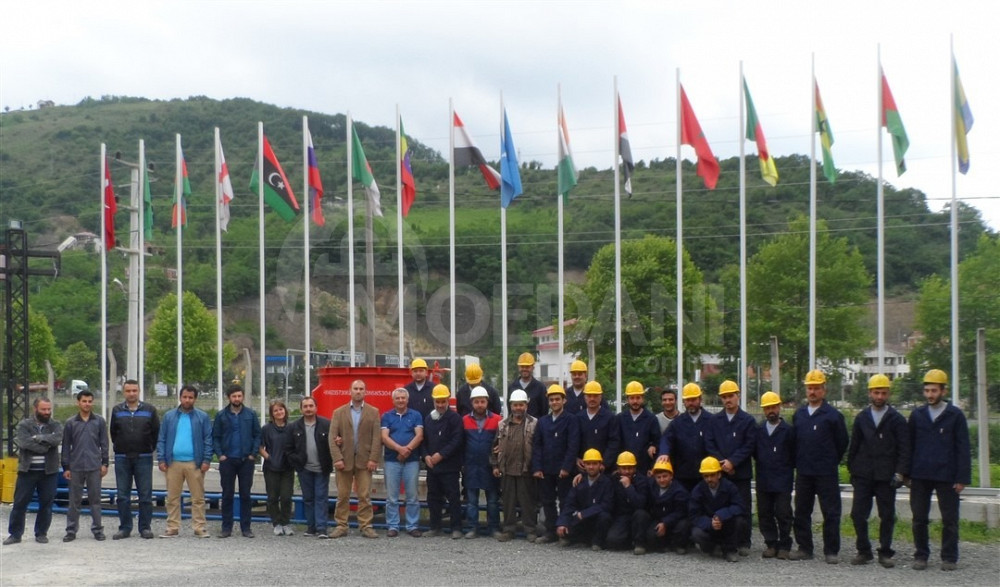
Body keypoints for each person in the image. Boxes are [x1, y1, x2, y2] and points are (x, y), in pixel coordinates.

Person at [908, 369, 970, 572]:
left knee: (949, 519)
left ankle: (949, 557)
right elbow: (909, 446)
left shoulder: (955, 415)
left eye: (934, 390)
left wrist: (962, 478)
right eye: (927, 390)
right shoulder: (917, 415)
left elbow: (963, 447)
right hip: (920, 475)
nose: (929, 395)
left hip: (947, 475)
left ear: (943, 391)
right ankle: (921, 555)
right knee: (919, 518)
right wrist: (906, 473)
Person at [848, 374, 911, 568]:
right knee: (858, 514)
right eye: (876, 392)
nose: (880, 396)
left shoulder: (896, 419)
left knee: (887, 515)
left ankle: (885, 552)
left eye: (883, 393)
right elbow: (854, 445)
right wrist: (852, 469)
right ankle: (864, 551)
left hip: (886, 476)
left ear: (888, 394)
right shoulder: (862, 418)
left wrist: (900, 472)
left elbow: (904, 448)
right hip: (864, 474)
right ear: (870, 393)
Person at [789, 370, 848, 564]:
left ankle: (831, 550)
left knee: (830, 512)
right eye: (810, 388)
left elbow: (842, 442)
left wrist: (830, 460)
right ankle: (804, 548)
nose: (812, 392)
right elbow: (794, 442)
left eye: (816, 388)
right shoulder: (799, 415)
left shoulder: (833, 416)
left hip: (826, 472)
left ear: (824, 390)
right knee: (802, 511)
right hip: (804, 471)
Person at [705, 379, 756, 555]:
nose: (728, 400)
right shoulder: (714, 420)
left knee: (743, 507)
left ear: (738, 396)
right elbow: (709, 443)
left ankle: (743, 542)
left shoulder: (747, 420)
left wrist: (733, 462)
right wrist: (722, 463)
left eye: (731, 396)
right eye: (724, 397)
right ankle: (722, 541)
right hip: (720, 473)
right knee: (720, 507)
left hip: (740, 472)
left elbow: (749, 445)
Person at [156, 385, 213, 538]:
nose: (187, 400)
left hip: (195, 463)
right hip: (172, 463)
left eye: (190, 397)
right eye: (184, 397)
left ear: (195, 399)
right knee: (172, 497)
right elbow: (161, 438)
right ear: (180, 398)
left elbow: (208, 439)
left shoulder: (202, 417)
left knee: (198, 498)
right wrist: (161, 458)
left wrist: (206, 459)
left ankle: (199, 527)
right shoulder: (169, 417)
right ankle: (172, 527)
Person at [4, 398, 63, 545]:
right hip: (27, 471)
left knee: (46, 504)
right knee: (19, 503)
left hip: (49, 472)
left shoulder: (55, 424)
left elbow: (57, 439)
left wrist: (39, 438)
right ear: (35, 409)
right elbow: (24, 442)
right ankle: (15, 534)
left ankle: (41, 533)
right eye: (44, 409)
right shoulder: (25, 425)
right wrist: (44, 447)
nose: (47, 412)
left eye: (49, 409)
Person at [329, 379, 382, 539]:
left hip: (365, 461)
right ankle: (341, 525)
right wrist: (337, 458)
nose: (358, 391)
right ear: (350, 391)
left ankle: (366, 525)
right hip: (344, 461)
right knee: (342, 495)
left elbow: (376, 438)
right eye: (355, 388)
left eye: (361, 389)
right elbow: (332, 438)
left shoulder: (373, 412)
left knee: (364, 495)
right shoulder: (339, 412)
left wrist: (373, 458)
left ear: (365, 392)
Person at [110, 379, 159, 540]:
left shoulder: (150, 410)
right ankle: (125, 528)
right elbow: (113, 433)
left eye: (134, 390)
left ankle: (145, 528)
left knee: (145, 495)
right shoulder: (117, 411)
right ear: (124, 392)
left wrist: (148, 448)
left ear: (139, 392)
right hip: (122, 458)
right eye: (128, 391)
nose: (131, 393)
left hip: (143, 458)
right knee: (122, 495)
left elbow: (155, 432)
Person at [532, 383, 580, 544]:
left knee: (566, 501)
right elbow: (537, 445)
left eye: (557, 399)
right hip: (546, 469)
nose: (554, 402)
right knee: (547, 501)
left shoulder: (571, 420)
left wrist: (567, 467)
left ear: (564, 401)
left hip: (563, 470)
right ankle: (551, 531)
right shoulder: (543, 421)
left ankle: (566, 532)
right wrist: (537, 467)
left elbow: (573, 445)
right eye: (551, 400)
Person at [212, 384, 261, 538]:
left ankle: (246, 528)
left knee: (246, 495)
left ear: (243, 397)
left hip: (246, 460)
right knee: (227, 495)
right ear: (229, 398)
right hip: (228, 460)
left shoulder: (250, 415)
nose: (237, 399)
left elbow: (257, 435)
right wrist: (220, 454)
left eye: (239, 396)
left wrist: (253, 454)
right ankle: (226, 528)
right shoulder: (221, 416)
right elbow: (216, 437)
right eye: (234, 396)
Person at [61, 389, 110, 542]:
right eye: (84, 401)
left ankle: (97, 529)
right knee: (74, 501)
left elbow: (104, 443)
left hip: (94, 466)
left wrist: (105, 463)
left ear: (92, 402)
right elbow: (66, 446)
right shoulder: (71, 423)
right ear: (78, 402)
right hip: (75, 467)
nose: (87, 404)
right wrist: (66, 467)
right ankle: (71, 530)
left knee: (95, 500)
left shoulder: (99, 421)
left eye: (90, 401)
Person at [491, 389, 538, 542]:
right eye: (515, 405)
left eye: (521, 405)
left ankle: (530, 530)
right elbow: (494, 447)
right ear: (511, 405)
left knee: (527, 502)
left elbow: (538, 447)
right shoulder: (502, 425)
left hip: (526, 469)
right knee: (508, 502)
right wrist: (495, 466)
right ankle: (509, 530)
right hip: (507, 469)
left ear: (526, 405)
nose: (518, 408)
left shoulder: (534, 424)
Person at [753, 391, 795, 560]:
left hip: (783, 479)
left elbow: (794, 453)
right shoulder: (759, 430)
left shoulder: (788, 430)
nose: (771, 410)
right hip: (763, 478)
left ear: (779, 407)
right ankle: (771, 543)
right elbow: (755, 453)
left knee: (784, 512)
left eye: (773, 407)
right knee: (765, 512)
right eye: (767, 408)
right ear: (764, 410)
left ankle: (784, 545)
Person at [422, 384, 464, 538]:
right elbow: (423, 440)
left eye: (443, 401)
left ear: (448, 401)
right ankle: (435, 526)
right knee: (433, 498)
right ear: (433, 401)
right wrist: (426, 456)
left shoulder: (455, 418)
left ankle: (456, 528)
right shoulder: (428, 418)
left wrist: (441, 455)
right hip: (432, 467)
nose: (440, 405)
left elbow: (457, 440)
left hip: (450, 466)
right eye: (437, 402)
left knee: (453, 498)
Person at [287, 396, 333, 538]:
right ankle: (311, 527)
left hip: (322, 468)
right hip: (304, 469)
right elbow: (288, 449)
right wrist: (298, 463)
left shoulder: (327, 424)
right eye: (305, 406)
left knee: (321, 497)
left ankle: (321, 528)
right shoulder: (294, 427)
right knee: (308, 498)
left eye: (311, 406)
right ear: (301, 409)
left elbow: (334, 444)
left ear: (316, 408)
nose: (308, 409)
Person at [381, 387, 424, 537]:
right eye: (397, 398)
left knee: (412, 495)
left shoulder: (416, 415)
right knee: (392, 496)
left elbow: (419, 436)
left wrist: (407, 450)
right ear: (393, 400)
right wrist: (400, 449)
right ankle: (393, 526)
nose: (400, 400)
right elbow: (384, 437)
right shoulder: (386, 416)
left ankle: (412, 526)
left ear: (407, 399)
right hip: (392, 461)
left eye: (403, 398)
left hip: (411, 460)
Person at [461, 386, 502, 539]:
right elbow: (461, 443)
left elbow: (501, 442)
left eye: (482, 401)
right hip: (471, 465)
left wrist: (497, 463)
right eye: (476, 402)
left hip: (490, 466)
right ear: (472, 403)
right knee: (472, 501)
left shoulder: (497, 420)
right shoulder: (464, 420)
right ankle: (472, 527)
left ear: (487, 402)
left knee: (492, 501)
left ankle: (494, 528)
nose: (479, 404)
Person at [689, 456, 747, 563]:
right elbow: (694, 515)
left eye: (712, 475)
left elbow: (740, 506)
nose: (709, 479)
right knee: (696, 533)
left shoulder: (730, 487)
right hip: (709, 527)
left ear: (719, 474)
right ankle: (712, 548)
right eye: (706, 476)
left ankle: (730, 550)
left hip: (726, 523)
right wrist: (711, 523)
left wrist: (721, 515)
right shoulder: (697, 490)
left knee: (740, 521)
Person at [555, 448, 613, 550]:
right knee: (566, 524)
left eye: (594, 464)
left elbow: (606, 505)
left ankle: (597, 542)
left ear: (600, 465)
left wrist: (585, 513)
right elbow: (569, 504)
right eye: (588, 464)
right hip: (582, 519)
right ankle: (575, 538)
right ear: (584, 465)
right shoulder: (579, 481)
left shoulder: (607, 482)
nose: (591, 467)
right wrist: (562, 523)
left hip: (595, 518)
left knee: (605, 516)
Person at [657, 383, 711, 492]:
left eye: (693, 399)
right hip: (683, 476)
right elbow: (667, 439)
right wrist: (664, 453)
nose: (690, 403)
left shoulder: (711, 420)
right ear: (683, 401)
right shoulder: (677, 423)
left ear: (700, 399)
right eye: (688, 400)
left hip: (706, 475)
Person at [260, 400, 294, 536]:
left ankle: (286, 522)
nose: (279, 412)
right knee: (272, 497)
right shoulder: (266, 429)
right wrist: (269, 458)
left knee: (286, 496)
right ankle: (277, 523)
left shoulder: (292, 428)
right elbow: (260, 447)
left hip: (287, 468)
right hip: (271, 468)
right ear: (272, 414)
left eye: (281, 409)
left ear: (285, 411)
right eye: (276, 410)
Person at [606, 451, 650, 554]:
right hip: (622, 516)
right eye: (623, 468)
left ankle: (640, 544)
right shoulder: (613, 479)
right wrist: (582, 475)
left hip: (638, 516)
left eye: (630, 468)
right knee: (612, 541)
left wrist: (628, 487)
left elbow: (640, 504)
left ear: (635, 467)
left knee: (641, 514)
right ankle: (629, 541)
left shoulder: (642, 480)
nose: (627, 471)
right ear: (618, 468)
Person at [643, 460, 691, 554]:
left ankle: (679, 545)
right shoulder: (652, 485)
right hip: (658, 519)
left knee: (684, 526)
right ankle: (665, 544)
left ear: (671, 476)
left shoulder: (680, 491)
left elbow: (681, 512)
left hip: (675, 520)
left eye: (665, 476)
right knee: (650, 537)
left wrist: (665, 522)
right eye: (658, 477)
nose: (662, 480)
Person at [576, 380, 620, 473]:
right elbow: (574, 441)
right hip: (582, 469)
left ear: (600, 397)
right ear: (584, 397)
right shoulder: (578, 417)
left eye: (595, 396)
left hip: (603, 470)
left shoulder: (610, 418)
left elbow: (614, 442)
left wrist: (605, 463)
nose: (592, 399)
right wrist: (576, 459)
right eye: (589, 396)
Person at [617, 381, 660, 474]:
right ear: (627, 399)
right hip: (624, 469)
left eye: (638, 398)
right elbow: (615, 443)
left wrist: (653, 467)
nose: (635, 401)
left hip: (644, 470)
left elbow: (657, 442)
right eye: (632, 398)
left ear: (643, 398)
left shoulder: (651, 419)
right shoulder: (619, 419)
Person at [508, 352, 547, 419]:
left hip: (535, 427)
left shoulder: (540, 388)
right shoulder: (512, 387)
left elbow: (544, 411)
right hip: (516, 427)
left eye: (527, 367)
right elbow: (510, 409)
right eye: (522, 367)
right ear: (518, 367)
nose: (524, 369)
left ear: (533, 368)